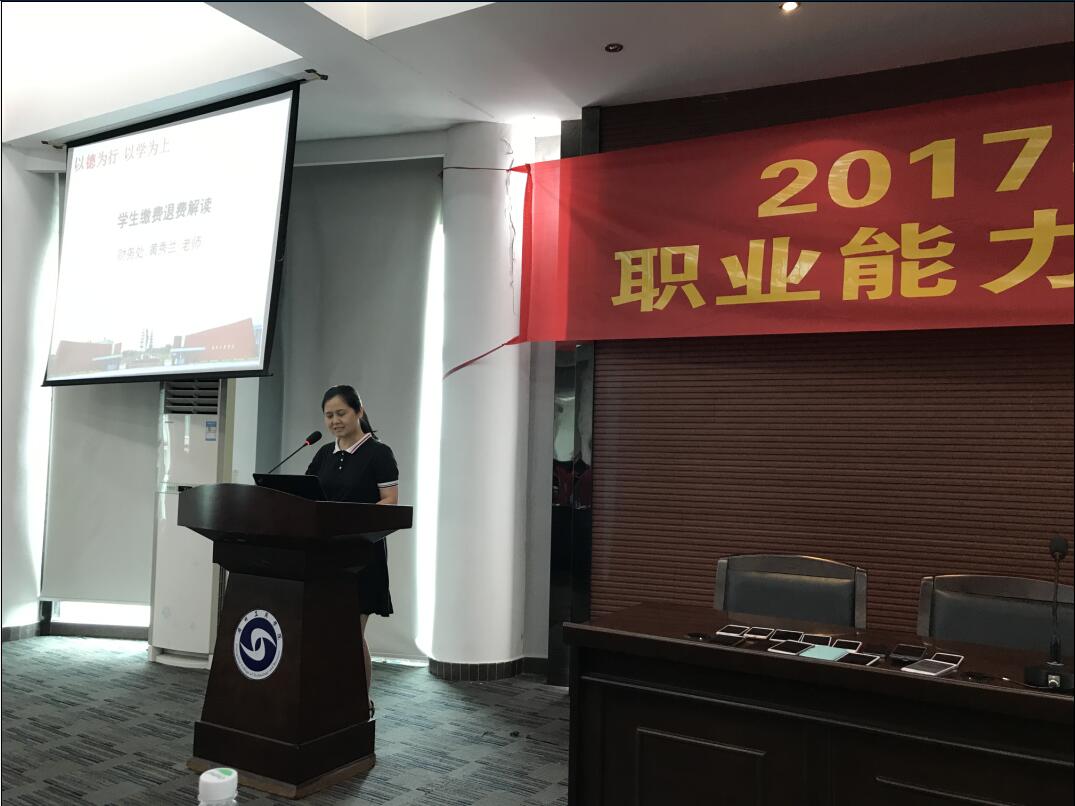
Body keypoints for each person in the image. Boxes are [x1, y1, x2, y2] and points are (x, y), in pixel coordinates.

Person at [305, 384, 398, 712]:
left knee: (349, 632)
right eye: (328, 415)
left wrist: (354, 521)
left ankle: (358, 703)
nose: (334, 421)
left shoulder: (379, 453)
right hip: (325, 556)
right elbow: (307, 499)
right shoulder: (323, 454)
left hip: (361, 556)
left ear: (359, 411)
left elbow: (390, 502)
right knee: (326, 631)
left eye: (341, 413)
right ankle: (329, 701)